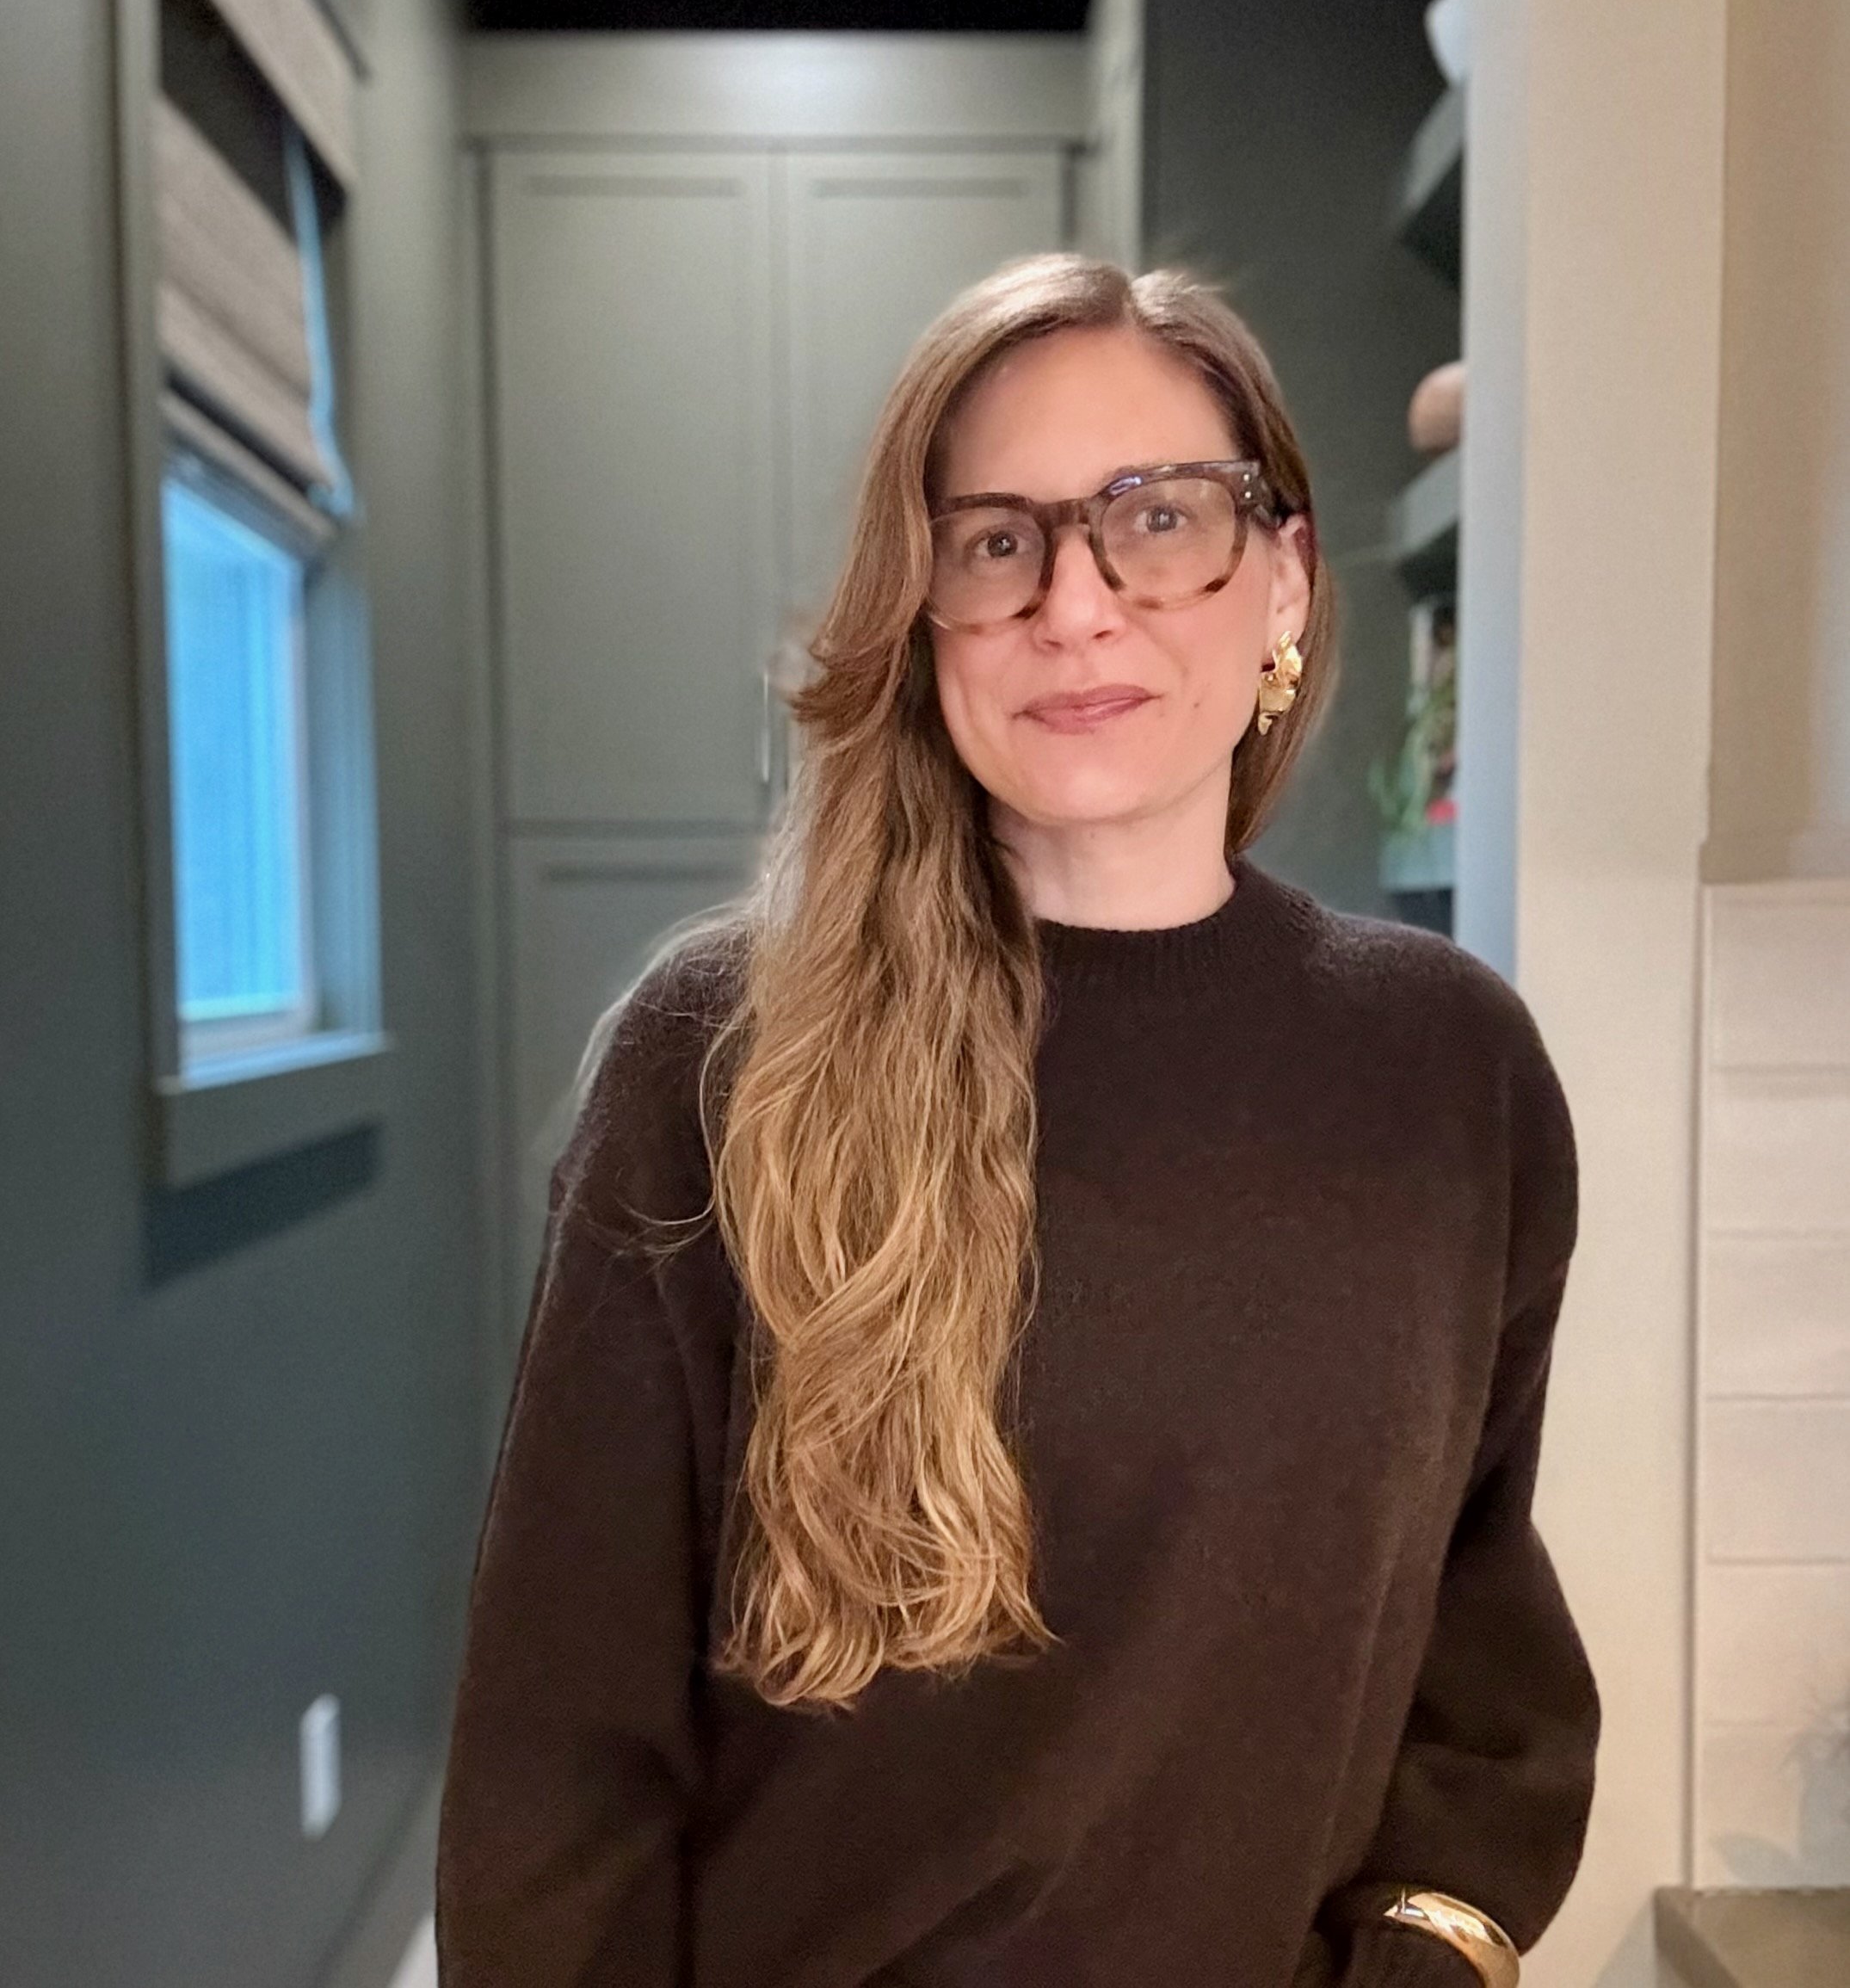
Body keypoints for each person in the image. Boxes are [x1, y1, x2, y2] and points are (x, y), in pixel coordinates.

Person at [435, 253, 1600, 1988]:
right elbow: (560, 1755)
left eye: (1158, 517)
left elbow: (1479, 1640)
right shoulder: (723, 1053)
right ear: (922, 616)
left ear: (1279, 577)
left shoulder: (1449, 1070)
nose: (1076, 601)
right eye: (997, 540)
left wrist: (1435, 1956)